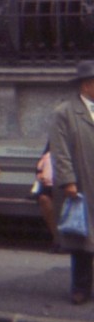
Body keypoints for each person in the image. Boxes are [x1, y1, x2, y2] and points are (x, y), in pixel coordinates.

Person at [49, 60, 94, 305]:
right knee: (81, 239)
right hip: (81, 183)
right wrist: (68, 181)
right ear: (87, 85)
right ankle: (81, 288)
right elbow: (60, 150)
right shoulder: (64, 112)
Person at [32, 144, 60, 252]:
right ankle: (57, 238)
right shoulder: (49, 151)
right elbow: (39, 167)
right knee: (44, 199)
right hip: (51, 185)